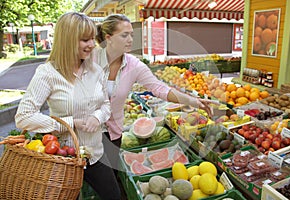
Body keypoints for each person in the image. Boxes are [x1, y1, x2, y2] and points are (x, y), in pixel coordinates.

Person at [15, 12, 120, 200]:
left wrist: (97, 117)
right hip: (63, 157)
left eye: (92, 39)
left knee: (114, 196)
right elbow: (23, 117)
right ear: (68, 40)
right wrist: (71, 122)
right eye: (85, 40)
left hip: (95, 154)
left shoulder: (96, 71)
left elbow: (105, 105)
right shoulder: (47, 74)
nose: (91, 45)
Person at [93, 14, 218, 171]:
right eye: (124, 35)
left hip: (114, 133)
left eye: (132, 35)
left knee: (112, 174)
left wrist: (194, 101)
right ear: (108, 38)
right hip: (89, 132)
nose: (130, 39)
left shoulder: (134, 64)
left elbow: (159, 88)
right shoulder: (91, 59)